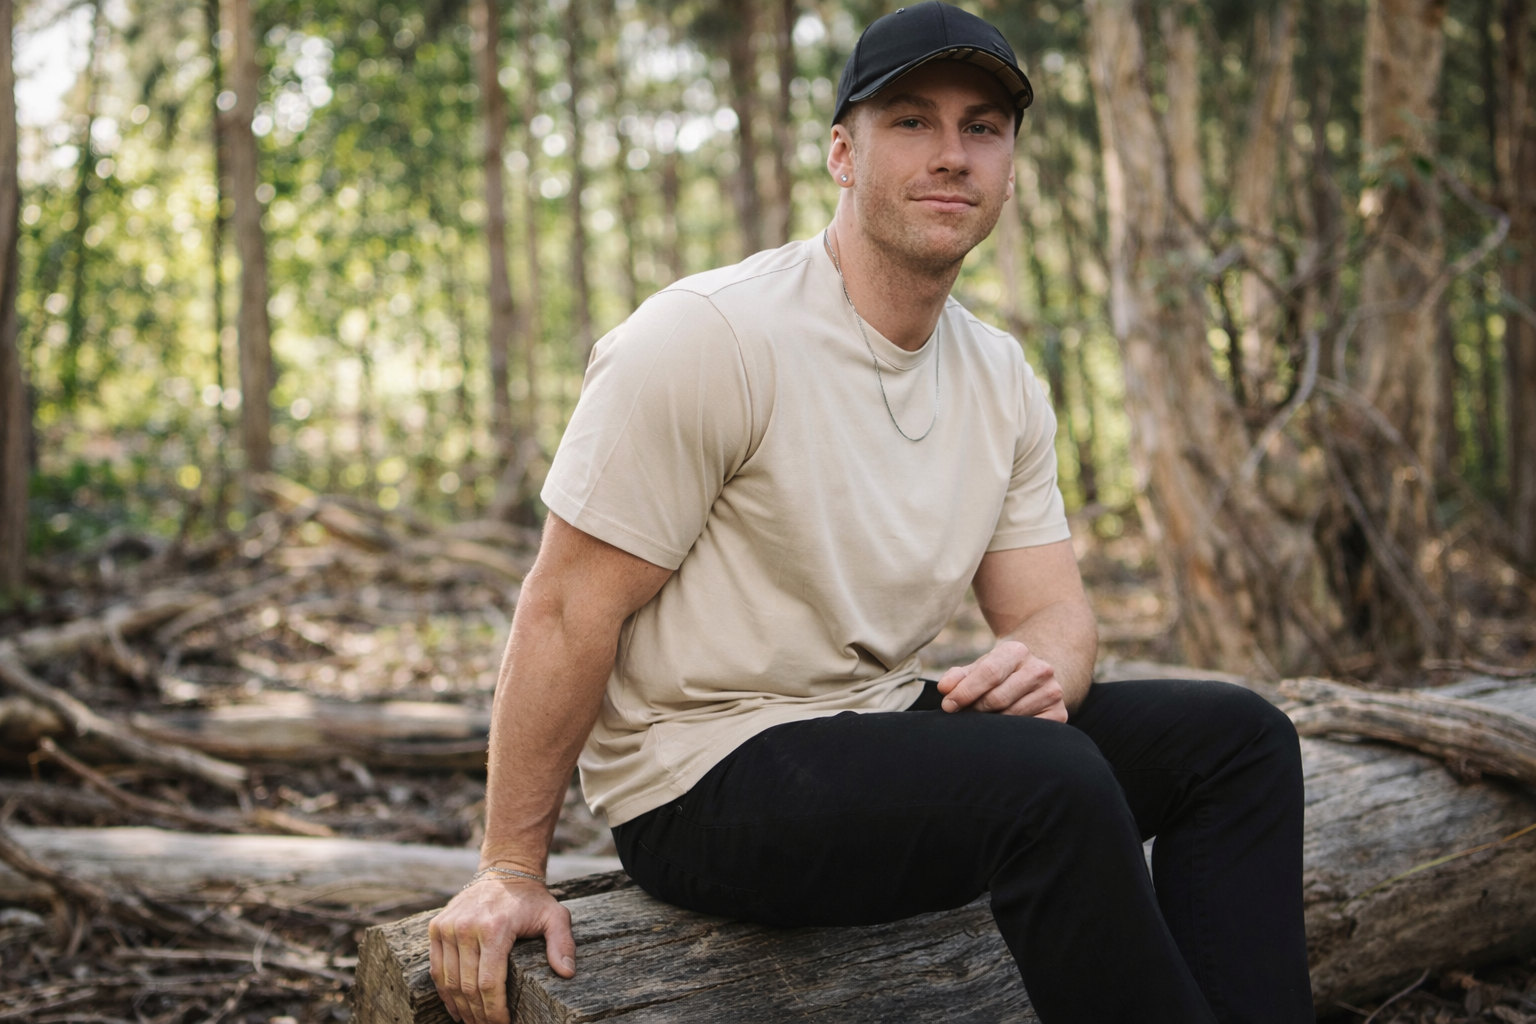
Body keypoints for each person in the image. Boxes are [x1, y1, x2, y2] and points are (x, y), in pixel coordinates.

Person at [428, 4, 1314, 1022]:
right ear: (842, 155)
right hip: (702, 772)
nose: (952, 154)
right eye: (912, 121)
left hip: (878, 726)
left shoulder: (1000, 376)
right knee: (1052, 782)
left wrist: (1042, 669)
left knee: (1237, 740)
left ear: (1010, 168)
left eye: (982, 127)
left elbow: (1053, 614)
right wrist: (509, 866)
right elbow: (565, 606)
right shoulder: (710, 337)